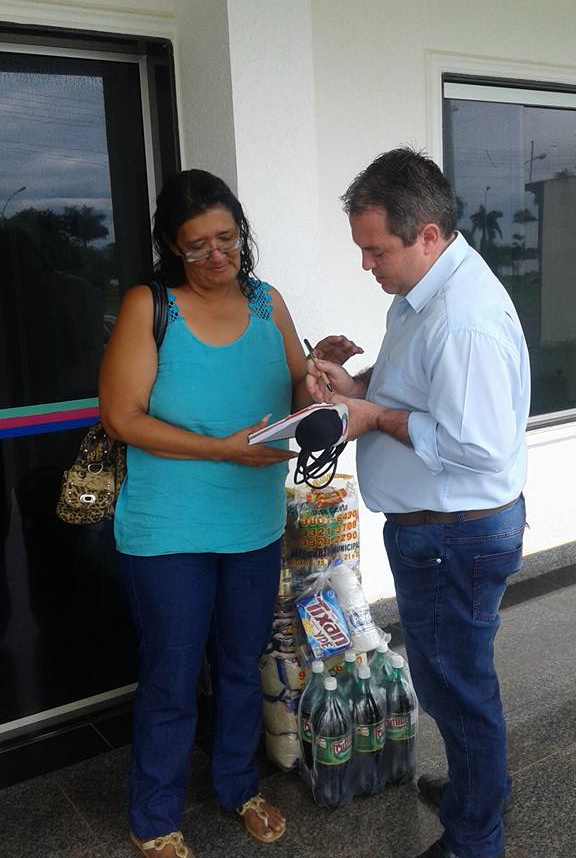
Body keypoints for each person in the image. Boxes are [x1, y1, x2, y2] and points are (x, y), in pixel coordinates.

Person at [99, 170, 359, 858]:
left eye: (228, 240)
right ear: (169, 247)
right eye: (198, 248)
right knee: (174, 672)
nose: (218, 258)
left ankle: (238, 786)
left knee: (242, 663)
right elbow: (121, 418)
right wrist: (219, 449)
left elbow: (292, 389)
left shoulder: (268, 301)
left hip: (253, 521)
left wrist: (320, 371)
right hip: (168, 529)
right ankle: (153, 817)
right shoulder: (150, 306)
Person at [307, 148, 530, 858]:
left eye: (376, 251)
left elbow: (480, 447)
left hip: (453, 537)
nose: (367, 265)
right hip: (443, 531)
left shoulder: (463, 320)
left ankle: (474, 838)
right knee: (461, 679)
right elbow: (410, 382)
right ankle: (478, 792)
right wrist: (353, 385)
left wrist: (370, 419)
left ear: (427, 234)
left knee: (456, 692)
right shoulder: (423, 291)